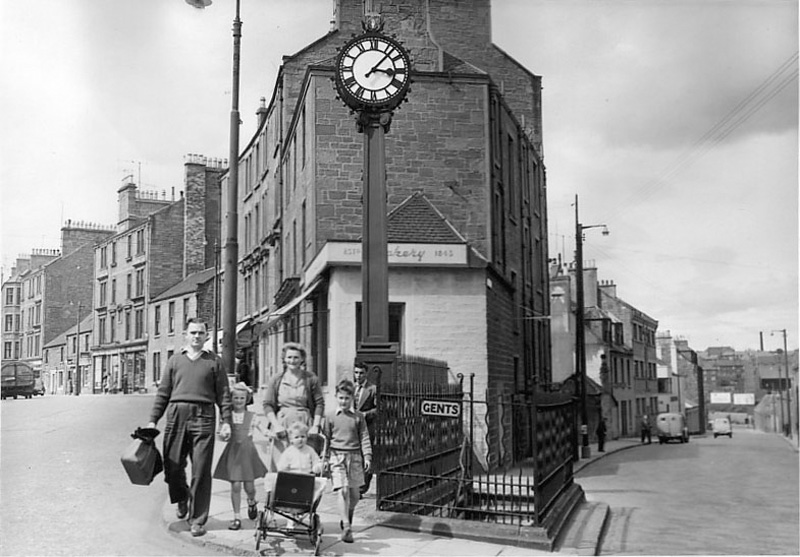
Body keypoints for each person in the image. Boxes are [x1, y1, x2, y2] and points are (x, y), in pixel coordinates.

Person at [145, 317, 232, 538]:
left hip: (204, 416)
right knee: (172, 466)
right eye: (193, 333)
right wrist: (153, 420)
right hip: (176, 415)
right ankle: (181, 497)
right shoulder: (175, 361)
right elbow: (163, 393)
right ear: (186, 334)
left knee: (201, 470)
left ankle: (197, 519)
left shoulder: (215, 362)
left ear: (206, 336)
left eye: (200, 333)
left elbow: (224, 395)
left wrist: (226, 422)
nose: (196, 337)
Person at [213, 382, 268, 530]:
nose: (238, 401)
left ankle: (251, 501)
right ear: (231, 399)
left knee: (249, 486)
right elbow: (220, 435)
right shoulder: (227, 417)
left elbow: (262, 428)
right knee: (235, 485)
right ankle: (236, 517)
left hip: (247, 454)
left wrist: (269, 433)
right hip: (233, 453)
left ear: (247, 399)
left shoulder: (252, 416)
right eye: (235, 398)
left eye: (241, 398)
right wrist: (223, 434)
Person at [262, 343, 325, 471]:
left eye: (296, 357)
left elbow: (319, 403)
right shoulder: (276, 379)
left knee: (305, 464)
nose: (292, 361)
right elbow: (268, 404)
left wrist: (315, 426)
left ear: (302, 359)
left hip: (304, 424)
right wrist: (276, 425)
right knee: (282, 465)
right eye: (289, 357)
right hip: (283, 424)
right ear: (284, 359)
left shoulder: (310, 379)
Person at [326, 378, 372, 544]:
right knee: (342, 490)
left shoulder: (358, 417)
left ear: (352, 398)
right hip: (337, 457)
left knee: (355, 495)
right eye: (341, 398)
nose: (343, 401)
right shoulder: (330, 417)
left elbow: (364, 437)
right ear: (336, 397)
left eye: (347, 398)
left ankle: (348, 514)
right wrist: (324, 459)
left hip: (355, 458)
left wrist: (367, 456)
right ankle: (346, 526)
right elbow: (326, 439)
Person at [352, 360, 377, 495]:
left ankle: (362, 488)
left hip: (367, 427)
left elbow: (379, 409)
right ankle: (353, 486)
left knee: (364, 456)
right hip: (351, 427)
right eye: (356, 372)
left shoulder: (372, 389)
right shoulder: (350, 388)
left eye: (361, 373)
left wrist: (365, 414)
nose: (358, 376)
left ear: (366, 374)